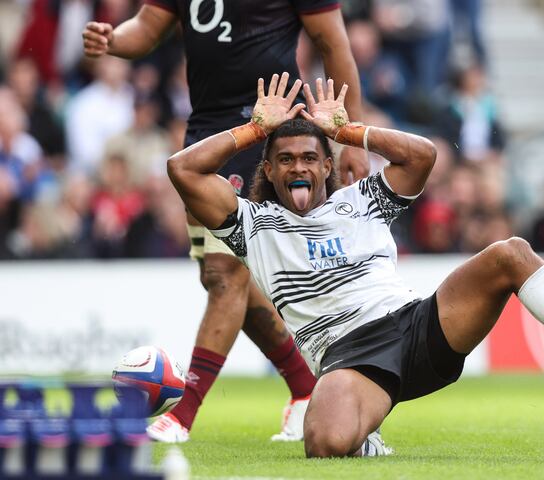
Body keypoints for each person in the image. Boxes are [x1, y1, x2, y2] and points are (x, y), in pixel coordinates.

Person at [167, 72, 544, 457]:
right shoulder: (252, 225)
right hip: (349, 360)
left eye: (309, 157)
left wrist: (348, 132)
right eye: (285, 160)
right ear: (271, 171)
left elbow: (423, 156)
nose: (298, 167)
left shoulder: (362, 199)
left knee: (510, 253)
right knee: (323, 444)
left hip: (418, 328)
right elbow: (182, 169)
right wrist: (255, 129)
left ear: (326, 166)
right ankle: (365, 432)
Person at [82, 0, 368, 443]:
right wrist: (114, 39)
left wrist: (352, 137)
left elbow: (333, 42)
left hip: (270, 129)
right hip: (207, 132)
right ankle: (305, 389)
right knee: (228, 279)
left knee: (225, 275)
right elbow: (147, 26)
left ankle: (182, 416)